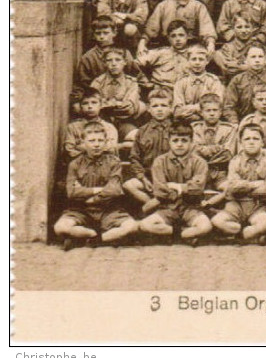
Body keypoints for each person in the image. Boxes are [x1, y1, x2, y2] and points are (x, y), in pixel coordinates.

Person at [55, 122, 137, 250]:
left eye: (100, 140)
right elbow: (71, 192)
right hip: (80, 209)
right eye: (92, 141)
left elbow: (114, 190)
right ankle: (92, 235)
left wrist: (91, 196)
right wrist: (97, 189)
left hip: (109, 209)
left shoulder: (113, 162)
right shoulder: (75, 164)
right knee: (60, 227)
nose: (96, 144)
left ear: (105, 142)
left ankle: (96, 240)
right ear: (83, 142)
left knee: (131, 226)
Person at [137, 119, 213, 246]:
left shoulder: (199, 162)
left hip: (191, 207)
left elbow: (197, 188)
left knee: (206, 226)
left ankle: (174, 235)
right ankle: (182, 233)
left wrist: (176, 187)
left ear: (191, 142)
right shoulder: (159, 161)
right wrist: (185, 190)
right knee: (145, 225)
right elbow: (160, 191)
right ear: (169, 142)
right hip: (167, 207)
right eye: (175, 140)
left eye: (184, 141)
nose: (179, 144)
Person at [211, 123, 266, 243]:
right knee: (217, 221)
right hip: (235, 205)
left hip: (258, 206)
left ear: (262, 142)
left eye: (256, 139)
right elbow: (233, 188)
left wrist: (244, 187)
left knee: (265, 224)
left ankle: (241, 235)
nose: (251, 142)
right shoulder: (235, 161)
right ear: (241, 142)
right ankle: (244, 233)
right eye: (247, 139)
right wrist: (257, 184)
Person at [139, 0, 216, 53]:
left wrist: (210, 44)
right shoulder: (163, 6)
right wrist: (142, 43)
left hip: (191, 48)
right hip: (167, 47)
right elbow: (151, 29)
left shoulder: (198, 6)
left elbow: (207, 30)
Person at [90, 48, 143, 138]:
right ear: (104, 63)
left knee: (136, 137)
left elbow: (128, 109)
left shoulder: (131, 82)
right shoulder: (98, 82)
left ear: (125, 62)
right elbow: (94, 105)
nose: (113, 64)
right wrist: (117, 103)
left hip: (123, 123)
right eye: (109, 60)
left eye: (118, 60)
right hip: (102, 123)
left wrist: (104, 104)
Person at [172, 44, 224, 121]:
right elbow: (178, 111)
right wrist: (201, 107)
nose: (197, 63)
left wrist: (189, 108)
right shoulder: (181, 82)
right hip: (185, 123)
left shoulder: (213, 81)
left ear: (207, 61)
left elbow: (216, 106)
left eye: (201, 59)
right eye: (194, 59)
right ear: (188, 61)